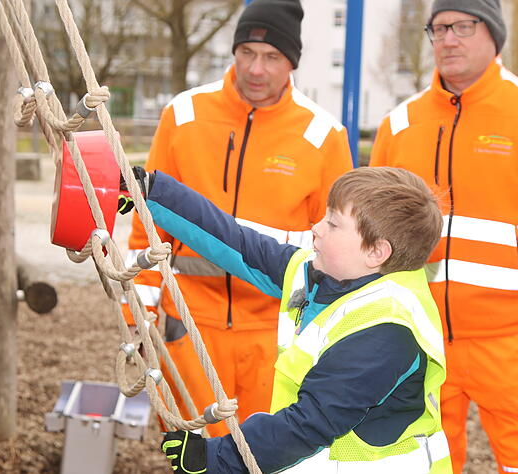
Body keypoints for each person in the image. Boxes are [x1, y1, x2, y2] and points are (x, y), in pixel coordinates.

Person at [369, 1, 518, 472]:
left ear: (494, 34)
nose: (448, 39)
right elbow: (370, 232)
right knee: (421, 464)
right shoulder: (399, 125)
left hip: (513, 342)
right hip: (418, 339)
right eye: (438, 29)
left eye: (463, 26)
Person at [119, 165, 450, 472]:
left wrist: (216, 457)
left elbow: (309, 423)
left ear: (376, 252)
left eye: (333, 224)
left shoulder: (385, 330)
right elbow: (237, 242)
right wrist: (154, 192)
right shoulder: (320, 275)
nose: (316, 228)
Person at [122, 0, 352, 437]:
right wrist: (138, 315)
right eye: (247, 52)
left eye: (272, 57)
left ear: (292, 63)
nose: (256, 69)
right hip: (189, 325)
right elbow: (146, 229)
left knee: (270, 455)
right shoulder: (184, 116)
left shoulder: (324, 136)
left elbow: (339, 247)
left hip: (275, 333)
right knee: (195, 454)